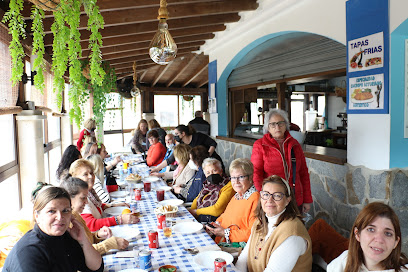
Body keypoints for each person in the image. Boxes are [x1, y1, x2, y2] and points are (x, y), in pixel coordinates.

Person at [3, 186, 103, 272]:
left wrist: (84, 240)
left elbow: (96, 268)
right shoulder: (29, 253)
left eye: (65, 211)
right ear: (37, 216)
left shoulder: (64, 237)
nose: (59, 217)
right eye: (51, 211)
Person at [235, 175, 312, 272]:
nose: (269, 200)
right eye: (266, 194)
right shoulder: (260, 221)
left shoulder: (292, 233)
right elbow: (243, 258)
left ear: (288, 200)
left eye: (277, 196)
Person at [251, 108, 312, 213]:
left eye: (280, 123)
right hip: (273, 201)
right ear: (267, 127)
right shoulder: (260, 145)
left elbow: (303, 174)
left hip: (295, 198)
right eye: (273, 124)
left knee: (294, 228)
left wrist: (307, 200)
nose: (277, 127)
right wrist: (264, 197)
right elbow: (256, 173)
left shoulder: (295, 144)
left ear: (286, 125)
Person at [327, 202, 408, 272]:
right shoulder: (344, 260)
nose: (379, 240)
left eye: (388, 233)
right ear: (357, 234)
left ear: (396, 242)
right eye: (371, 229)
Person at [60, 177, 129, 255]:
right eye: (83, 198)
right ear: (69, 198)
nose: (86, 202)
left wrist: (98, 235)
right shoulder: (66, 224)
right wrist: (109, 244)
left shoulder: (75, 215)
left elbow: (87, 240)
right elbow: (80, 253)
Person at [69, 159, 139, 232]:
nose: (90, 176)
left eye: (91, 173)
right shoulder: (81, 198)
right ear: (75, 178)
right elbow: (91, 225)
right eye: (85, 174)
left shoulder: (89, 192)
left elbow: (97, 207)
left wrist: (112, 205)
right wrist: (119, 219)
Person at [205, 158, 260, 244]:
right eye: (233, 177)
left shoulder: (255, 198)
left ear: (251, 177)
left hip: (235, 248)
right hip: (220, 240)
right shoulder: (237, 196)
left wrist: (225, 233)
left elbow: (253, 233)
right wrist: (214, 225)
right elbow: (225, 216)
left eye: (241, 177)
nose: (236, 182)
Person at [151, 124, 224, 173]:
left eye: (177, 134)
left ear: (183, 134)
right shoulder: (182, 144)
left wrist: (208, 156)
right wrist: (157, 169)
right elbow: (171, 158)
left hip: (213, 163)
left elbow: (213, 143)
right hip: (199, 167)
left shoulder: (198, 137)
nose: (175, 136)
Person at [189, 158, 234, 222]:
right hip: (200, 217)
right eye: (208, 172)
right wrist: (191, 212)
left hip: (214, 221)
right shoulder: (207, 184)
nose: (211, 174)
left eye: (214, 170)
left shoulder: (228, 185)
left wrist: (196, 212)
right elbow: (197, 199)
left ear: (221, 171)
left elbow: (217, 210)